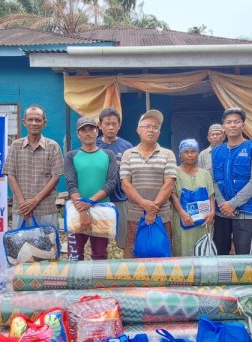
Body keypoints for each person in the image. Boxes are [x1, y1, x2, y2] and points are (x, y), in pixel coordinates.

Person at [120, 109, 177, 258]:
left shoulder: (168, 154)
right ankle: (133, 282)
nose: (151, 130)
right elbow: (125, 184)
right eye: (146, 126)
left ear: (159, 132)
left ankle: (161, 282)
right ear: (138, 130)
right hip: (135, 214)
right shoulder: (128, 154)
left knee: (161, 251)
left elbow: (169, 184)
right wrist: (144, 204)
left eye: (155, 127)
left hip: (162, 215)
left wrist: (152, 209)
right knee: (133, 251)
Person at [211, 108, 252, 255]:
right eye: (228, 122)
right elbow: (214, 181)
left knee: (245, 256)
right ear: (223, 127)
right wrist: (224, 205)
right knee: (220, 254)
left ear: (243, 125)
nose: (233, 125)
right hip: (222, 213)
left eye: (237, 122)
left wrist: (232, 204)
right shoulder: (216, 151)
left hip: (246, 211)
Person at [64, 116, 119, 260]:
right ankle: (75, 282)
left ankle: (98, 282)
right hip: (77, 212)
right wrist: (83, 211)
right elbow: (71, 185)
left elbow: (111, 183)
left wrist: (90, 202)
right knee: (74, 255)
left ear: (97, 131)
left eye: (91, 129)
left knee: (100, 254)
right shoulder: (71, 156)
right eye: (84, 130)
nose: (88, 133)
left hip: (101, 211)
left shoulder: (108, 155)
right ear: (78, 134)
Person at [3, 105, 64, 228]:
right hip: (21, 209)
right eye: (30, 120)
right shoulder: (15, 145)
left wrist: (35, 201)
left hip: (45, 208)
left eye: (38, 120)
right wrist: (22, 202)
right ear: (24, 122)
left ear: (44, 123)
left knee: (47, 245)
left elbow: (55, 177)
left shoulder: (53, 146)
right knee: (21, 245)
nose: (34, 123)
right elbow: (11, 175)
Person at [96, 107, 133, 250]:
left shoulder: (127, 146)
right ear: (100, 126)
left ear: (119, 125)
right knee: (101, 238)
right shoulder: (95, 145)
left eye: (114, 124)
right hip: (100, 199)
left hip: (121, 198)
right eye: (107, 124)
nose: (111, 127)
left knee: (123, 238)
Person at [171, 139, 216, 256]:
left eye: (193, 151)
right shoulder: (174, 173)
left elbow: (211, 195)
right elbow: (173, 195)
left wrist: (212, 213)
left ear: (198, 153)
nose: (190, 155)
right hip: (184, 220)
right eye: (186, 152)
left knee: (203, 253)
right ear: (180, 154)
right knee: (182, 251)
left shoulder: (205, 174)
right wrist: (182, 213)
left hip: (203, 221)